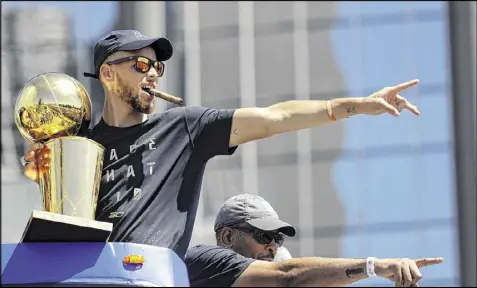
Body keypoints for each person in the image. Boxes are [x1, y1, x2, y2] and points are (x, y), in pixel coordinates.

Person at [21, 29, 422, 259]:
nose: (153, 74)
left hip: (152, 278)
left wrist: (352, 106)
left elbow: (274, 118)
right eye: (140, 65)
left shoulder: (186, 127)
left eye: (157, 66)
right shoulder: (79, 144)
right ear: (107, 74)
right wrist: (43, 172)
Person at [185, 194, 444, 287]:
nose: (272, 247)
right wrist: (374, 267)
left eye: (277, 239)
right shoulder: (205, 261)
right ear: (228, 236)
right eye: (263, 236)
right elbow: (290, 276)